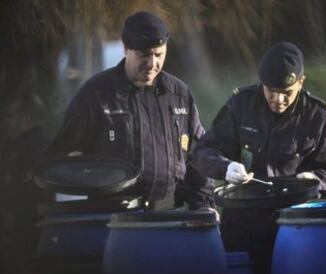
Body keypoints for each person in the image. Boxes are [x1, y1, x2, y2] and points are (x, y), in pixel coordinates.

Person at [191, 41, 326, 274]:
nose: (278, 100)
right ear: (261, 82)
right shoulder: (241, 104)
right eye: (271, 91)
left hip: (294, 228)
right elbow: (204, 151)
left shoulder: (318, 116)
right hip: (241, 226)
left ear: (302, 82)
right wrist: (225, 167)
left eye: (287, 92)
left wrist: (315, 182)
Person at [44, 11, 213, 211]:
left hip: (168, 216)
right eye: (144, 55)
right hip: (112, 220)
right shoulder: (96, 94)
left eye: (159, 54)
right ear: (125, 49)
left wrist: (203, 207)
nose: (152, 63)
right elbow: (60, 158)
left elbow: (199, 156)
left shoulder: (179, 94)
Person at [0, 93, 50, 274]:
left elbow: (24, 193)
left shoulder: (28, 149)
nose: (8, 122)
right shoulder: (42, 146)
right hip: (36, 231)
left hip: (28, 232)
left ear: (27, 119)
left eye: (12, 116)